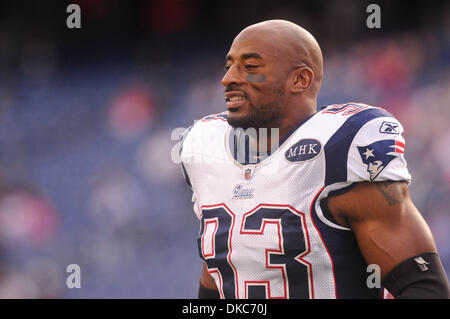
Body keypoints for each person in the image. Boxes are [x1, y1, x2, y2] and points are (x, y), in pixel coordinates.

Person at [179, 20, 450, 299]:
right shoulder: (206, 147)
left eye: (250, 67)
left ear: (300, 80)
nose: (228, 78)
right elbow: (220, 277)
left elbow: (423, 286)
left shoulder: (339, 147)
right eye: (229, 66)